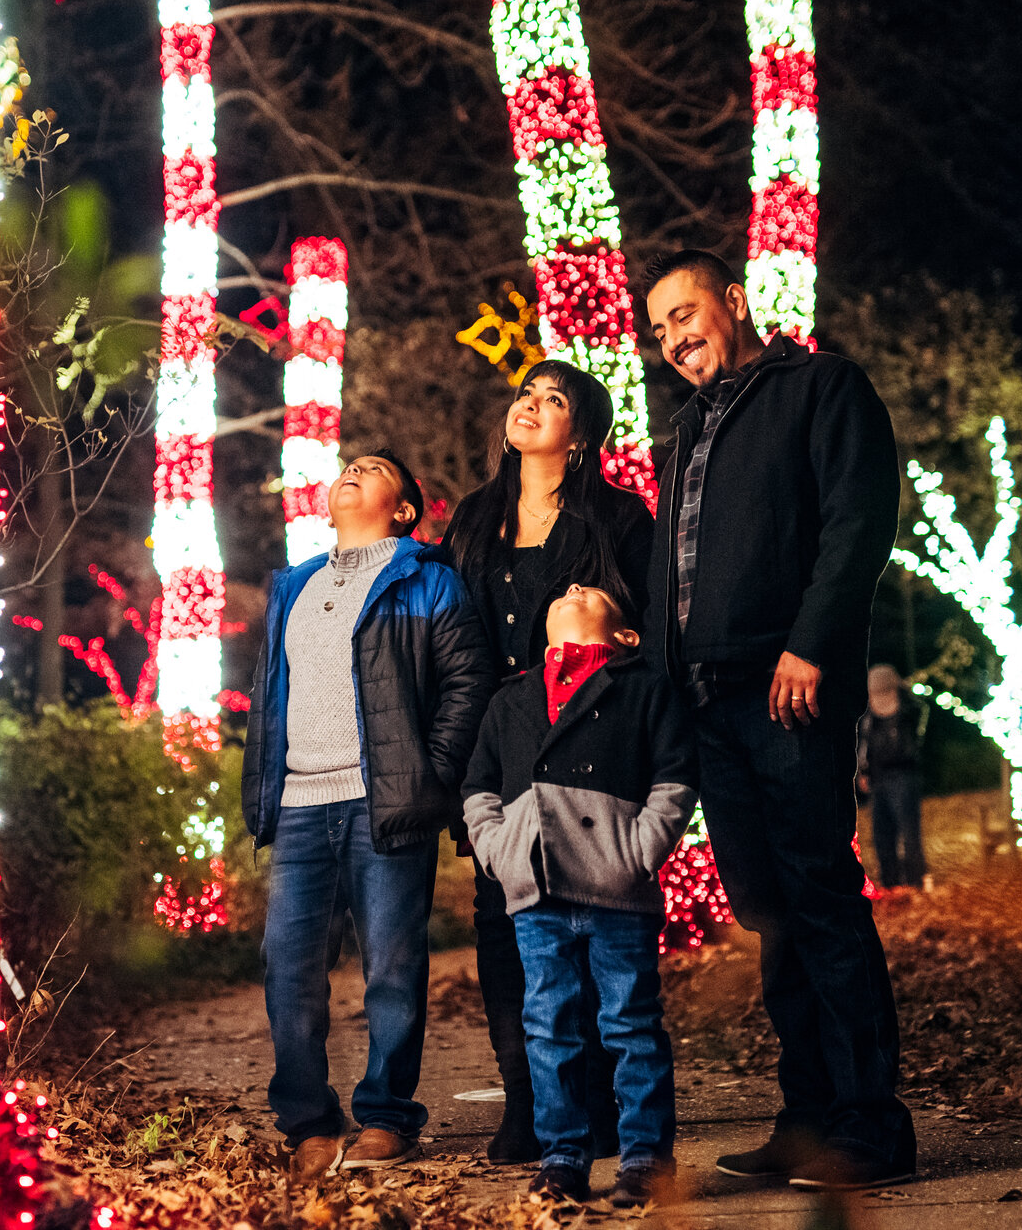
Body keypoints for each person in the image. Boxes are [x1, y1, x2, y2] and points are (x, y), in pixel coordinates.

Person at [641, 249, 916, 1190]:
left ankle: (873, 1127)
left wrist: (810, 643)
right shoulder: (684, 436)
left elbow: (857, 522)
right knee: (769, 910)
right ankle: (806, 1123)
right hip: (709, 702)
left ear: (734, 301)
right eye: (662, 327)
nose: (676, 337)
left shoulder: (819, 386)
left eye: (687, 312)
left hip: (786, 684)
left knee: (820, 897)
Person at [241, 449, 494, 1182]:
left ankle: (387, 1115)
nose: (353, 469)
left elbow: (467, 680)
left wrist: (431, 772)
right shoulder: (293, 585)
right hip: (297, 804)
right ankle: (308, 1119)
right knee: (288, 964)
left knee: (392, 963)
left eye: (374, 467)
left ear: (406, 509)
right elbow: (272, 695)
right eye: (348, 464)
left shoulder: (428, 579)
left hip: (383, 801)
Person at [444, 359, 653, 1164]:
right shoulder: (472, 519)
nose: (530, 405)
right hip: (494, 747)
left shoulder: (617, 520)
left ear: (583, 435)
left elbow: (643, 637)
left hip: (588, 743)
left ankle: (598, 1103)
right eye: (526, 392)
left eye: (553, 398)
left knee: (595, 922)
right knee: (503, 924)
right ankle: (529, 1101)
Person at [461, 584, 697, 1208]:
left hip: (617, 886)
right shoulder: (513, 697)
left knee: (630, 1024)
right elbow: (479, 786)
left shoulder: (643, 687)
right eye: (565, 588)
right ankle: (562, 1156)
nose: (571, 586)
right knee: (549, 1027)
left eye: (592, 591)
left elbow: (674, 779)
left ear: (625, 636)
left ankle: (646, 1158)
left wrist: (638, 852)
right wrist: (498, 850)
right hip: (535, 887)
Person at [857, 665, 929, 892]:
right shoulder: (868, 718)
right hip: (879, 779)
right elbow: (865, 745)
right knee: (882, 834)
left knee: (908, 832)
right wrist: (865, 772)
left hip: (903, 775)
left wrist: (906, 693)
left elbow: (919, 725)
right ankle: (891, 883)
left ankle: (915, 881)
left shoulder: (909, 711)